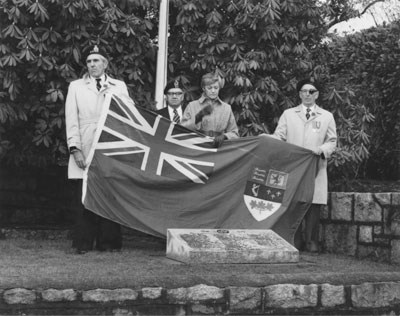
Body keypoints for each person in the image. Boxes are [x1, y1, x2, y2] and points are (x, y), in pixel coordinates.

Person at [65, 45, 130, 254]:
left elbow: (129, 114)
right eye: (89, 61)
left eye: (97, 61)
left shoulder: (118, 86)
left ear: (105, 64)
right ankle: (83, 242)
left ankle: (109, 243)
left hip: (110, 145)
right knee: (84, 194)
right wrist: (75, 148)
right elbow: (71, 119)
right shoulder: (76, 86)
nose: (92, 65)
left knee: (109, 194)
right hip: (85, 143)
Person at [271, 78, 337, 252]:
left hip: (316, 166)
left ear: (317, 94)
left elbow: (332, 142)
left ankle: (311, 241)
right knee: (294, 202)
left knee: (314, 204)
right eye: (304, 91)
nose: (308, 94)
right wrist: (268, 140)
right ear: (299, 94)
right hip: (294, 167)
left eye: (311, 91)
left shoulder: (327, 116)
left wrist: (320, 149)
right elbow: (279, 137)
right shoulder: (288, 114)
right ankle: (295, 240)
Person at [181, 73, 239, 147]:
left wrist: (225, 136)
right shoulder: (192, 106)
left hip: (219, 149)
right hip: (197, 148)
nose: (213, 91)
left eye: (216, 87)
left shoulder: (226, 108)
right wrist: (199, 116)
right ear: (203, 88)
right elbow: (182, 129)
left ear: (219, 88)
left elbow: (235, 133)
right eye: (209, 88)